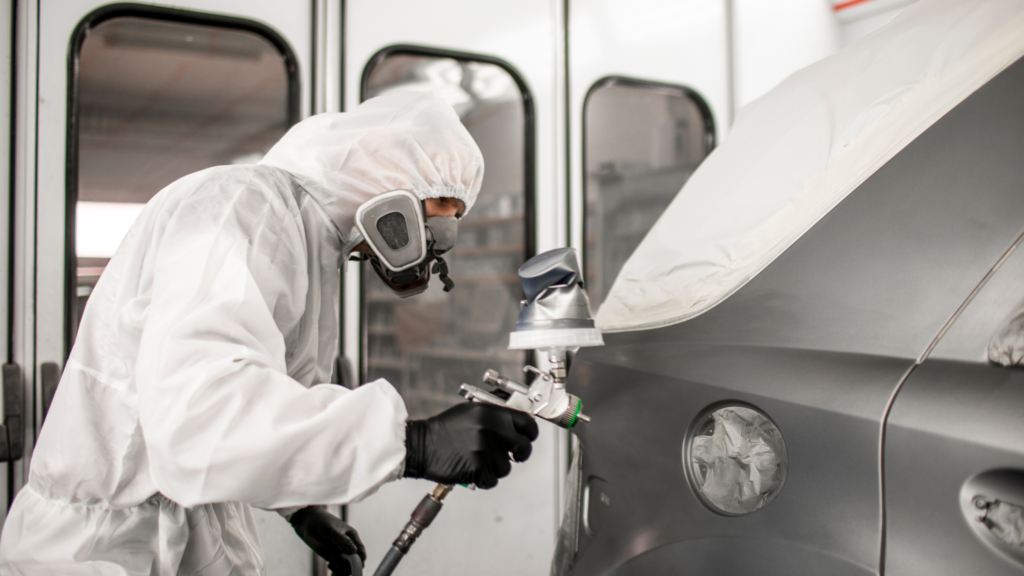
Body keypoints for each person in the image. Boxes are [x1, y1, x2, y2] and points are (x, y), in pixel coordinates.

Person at [0, 90, 538, 575]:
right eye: (442, 203)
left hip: (178, 525)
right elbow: (201, 415)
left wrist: (300, 508)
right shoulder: (247, 206)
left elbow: (265, 397)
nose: (444, 230)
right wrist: (411, 443)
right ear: (382, 162)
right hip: (102, 549)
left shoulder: (312, 238)